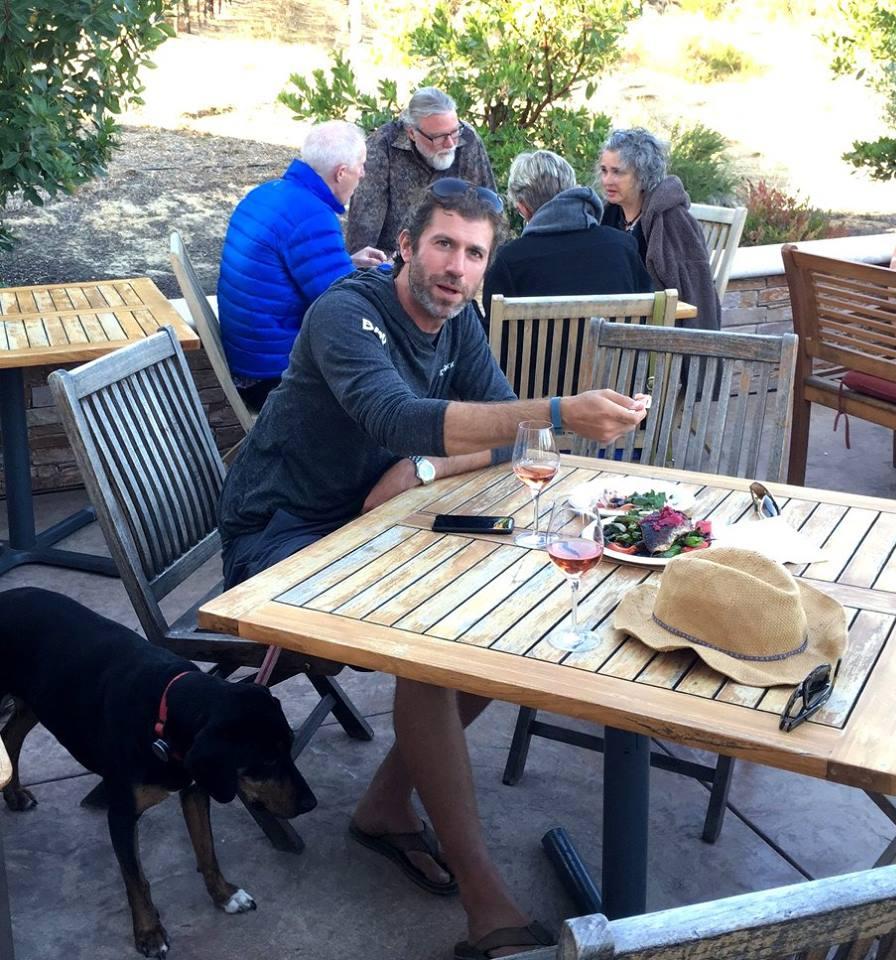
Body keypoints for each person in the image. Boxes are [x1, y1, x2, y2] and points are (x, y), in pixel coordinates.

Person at [219, 179, 648, 958]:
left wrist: (423, 469)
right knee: (430, 647)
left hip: (376, 519)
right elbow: (397, 415)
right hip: (281, 538)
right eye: (444, 245)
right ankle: (486, 905)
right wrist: (557, 412)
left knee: (492, 621)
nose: (457, 267)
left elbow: (503, 438)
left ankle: (387, 807)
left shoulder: (459, 322)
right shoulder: (346, 313)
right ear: (406, 247)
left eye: (474, 253)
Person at [217, 120, 387, 411]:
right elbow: (345, 304)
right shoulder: (313, 216)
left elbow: (292, 272)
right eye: (361, 165)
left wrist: (347, 262)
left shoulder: (268, 192)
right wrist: (393, 272)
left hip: (250, 364)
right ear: (341, 173)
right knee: (383, 379)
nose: (363, 173)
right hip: (273, 380)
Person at [482, 148, 652, 324]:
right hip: (614, 344)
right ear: (571, 189)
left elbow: (491, 336)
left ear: (523, 208)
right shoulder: (623, 247)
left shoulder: (508, 261)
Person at [345, 87, 497, 257]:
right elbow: (363, 242)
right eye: (438, 137)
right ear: (411, 133)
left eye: (454, 132)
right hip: (395, 260)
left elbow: (489, 210)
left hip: (456, 255)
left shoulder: (467, 138)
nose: (450, 144)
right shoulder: (381, 148)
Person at [599, 128, 721, 330]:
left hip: (654, 328)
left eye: (617, 172)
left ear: (642, 175)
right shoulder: (609, 214)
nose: (607, 180)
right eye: (604, 170)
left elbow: (693, 293)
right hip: (613, 319)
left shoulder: (672, 221)